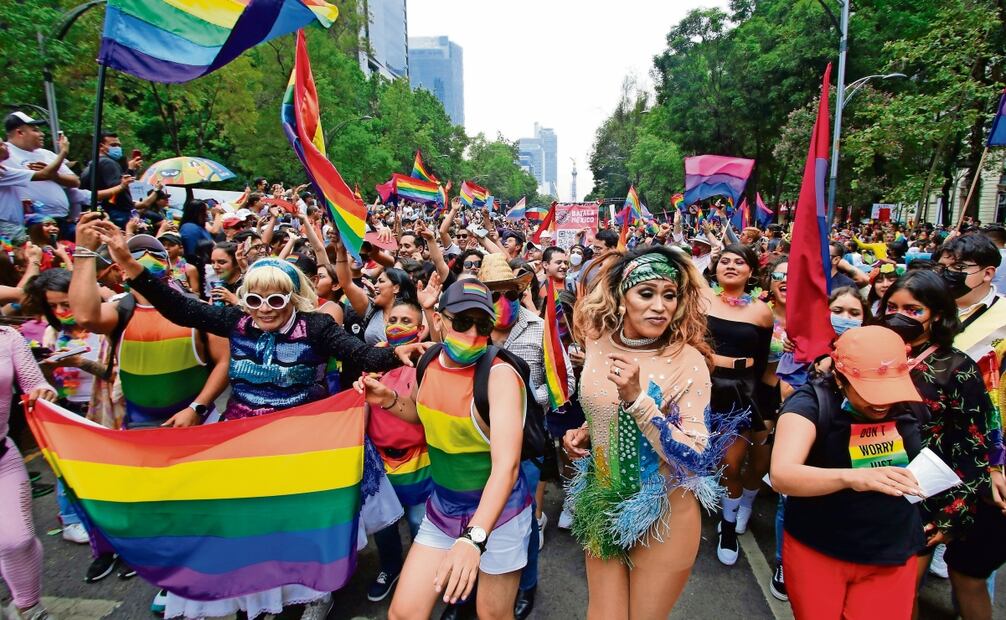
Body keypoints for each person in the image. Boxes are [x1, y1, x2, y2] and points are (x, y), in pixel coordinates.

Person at [563, 246, 729, 617]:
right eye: (646, 293)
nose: (659, 306)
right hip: (603, 502)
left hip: (664, 515)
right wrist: (587, 430)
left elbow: (696, 457)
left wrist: (639, 401)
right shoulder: (597, 340)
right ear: (622, 297)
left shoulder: (687, 360)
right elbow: (603, 404)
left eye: (669, 295)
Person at [357, 279, 531, 620]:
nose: (473, 334)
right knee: (403, 614)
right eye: (462, 322)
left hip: (501, 515)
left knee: (492, 615)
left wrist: (474, 538)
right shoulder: (428, 361)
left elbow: (507, 467)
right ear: (439, 319)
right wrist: (388, 399)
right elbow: (419, 412)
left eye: (483, 325)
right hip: (444, 508)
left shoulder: (500, 377)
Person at [771, 326, 927, 619]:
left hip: (891, 551)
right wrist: (853, 477)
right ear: (840, 379)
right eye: (869, 391)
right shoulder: (810, 404)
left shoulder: (908, 403)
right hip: (819, 548)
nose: (881, 402)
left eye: (889, 390)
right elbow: (782, 474)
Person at [877, 270, 998, 613]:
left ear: (938, 315)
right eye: (892, 307)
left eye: (913, 310)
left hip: (922, 498)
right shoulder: (874, 354)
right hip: (866, 485)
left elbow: (976, 447)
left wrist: (951, 515)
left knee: (899, 599)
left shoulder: (957, 368)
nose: (899, 316)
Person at [935, 233, 1006, 619]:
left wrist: (996, 463)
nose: (948, 273)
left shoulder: (1003, 319)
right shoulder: (929, 306)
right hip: (930, 446)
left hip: (983, 457)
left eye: (959, 268)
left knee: (971, 568)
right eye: (943, 266)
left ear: (988, 273)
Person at [704, 244, 773, 565]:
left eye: (739, 262)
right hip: (702, 387)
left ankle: (728, 525)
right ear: (716, 267)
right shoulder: (701, 300)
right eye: (725, 261)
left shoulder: (761, 312)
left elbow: (762, 361)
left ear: (750, 271)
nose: (730, 266)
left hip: (740, 392)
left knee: (730, 463)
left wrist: (756, 396)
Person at [366, 300, 432, 603]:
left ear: (420, 329)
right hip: (380, 460)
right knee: (384, 524)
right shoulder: (374, 358)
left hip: (418, 461)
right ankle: (391, 568)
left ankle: (422, 576)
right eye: (392, 319)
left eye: (406, 321)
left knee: (420, 523)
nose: (397, 325)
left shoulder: (425, 362)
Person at [0, 326, 57, 620]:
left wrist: (44, 393)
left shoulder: (7, 337)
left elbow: (37, 384)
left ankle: (28, 608)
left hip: (3, 459)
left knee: (18, 539)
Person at [3, 112, 79, 236]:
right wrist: (63, 152)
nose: (42, 134)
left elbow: (75, 181)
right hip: (31, 222)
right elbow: (44, 174)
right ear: (20, 132)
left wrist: (55, 176)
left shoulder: (46, 154)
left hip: (61, 218)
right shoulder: (5, 154)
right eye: (35, 130)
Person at [0, 133, 70, 243]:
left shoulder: (3, 170)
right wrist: (63, 152)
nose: (6, 146)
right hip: (7, 225)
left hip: (11, 223)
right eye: (1, 145)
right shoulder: (2, 172)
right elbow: (44, 174)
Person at [81, 131, 142, 227]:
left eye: (119, 145)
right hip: (117, 213)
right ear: (101, 146)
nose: (117, 148)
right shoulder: (108, 163)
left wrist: (131, 169)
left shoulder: (92, 164)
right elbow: (118, 188)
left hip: (101, 212)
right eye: (113, 145)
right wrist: (130, 170)